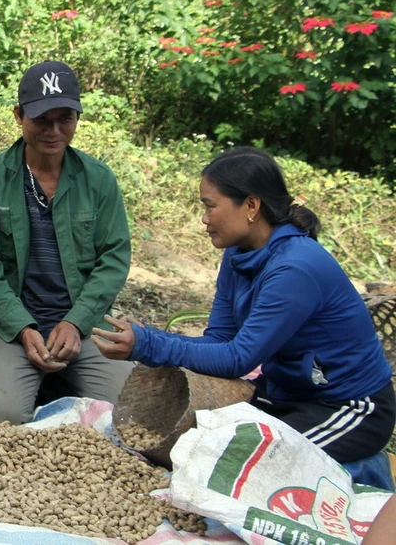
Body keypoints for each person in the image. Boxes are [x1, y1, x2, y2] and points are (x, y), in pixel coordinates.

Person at [93, 147, 395, 466]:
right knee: (195, 445)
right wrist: (143, 341)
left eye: (210, 206)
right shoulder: (238, 253)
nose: (204, 219)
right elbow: (221, 340)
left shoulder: (295, 268)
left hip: (345, 407)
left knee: (244, 463)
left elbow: (238, 359)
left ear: (251, 205)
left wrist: (148, 343)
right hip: (285, 393)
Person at [0, 60, 134, 424]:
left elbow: (114, 260)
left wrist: (75, 323)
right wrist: (24, 329)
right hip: (12, 329)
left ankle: (61, 384)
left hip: (82, 327)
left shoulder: (98, 181)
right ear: (19, 115)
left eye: (65, 119)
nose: (54, 131)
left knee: (132, 415)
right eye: (41, 120)